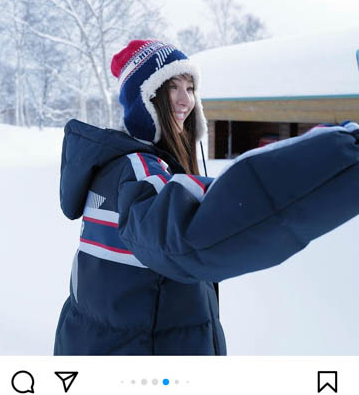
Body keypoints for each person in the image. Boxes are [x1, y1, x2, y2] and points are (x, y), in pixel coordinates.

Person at [54, 38, 359, 355]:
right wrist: (346, 152)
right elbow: (190, 231)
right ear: (143, 100)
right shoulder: (138, 171)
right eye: (172, 87)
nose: (185, 100)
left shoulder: (113, 168)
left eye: (190, 88)